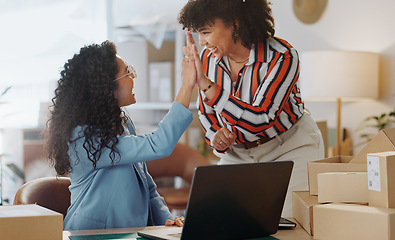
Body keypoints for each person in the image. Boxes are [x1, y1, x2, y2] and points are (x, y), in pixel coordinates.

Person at [178, 0, 324, 217]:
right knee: (224, 221)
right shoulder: (209, 59)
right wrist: (216, 137)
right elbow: (207, 112)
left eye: (206, 32)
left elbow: (262, 117)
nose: (202, 42)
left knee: (288, 224)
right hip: (237, 153)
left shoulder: (281, 56)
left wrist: (207, 85)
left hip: (289, 148)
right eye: (197, 34)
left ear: (235, 23)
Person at [46, 40, 196, 230]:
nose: (133, 76)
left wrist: (167, 222)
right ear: (108, 89)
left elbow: (148, 188)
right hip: (90, 235)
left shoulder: (123, 125)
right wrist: (186, 87)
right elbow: (158, 144)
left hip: (128, 233)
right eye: (127, 72)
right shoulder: (82, 138)